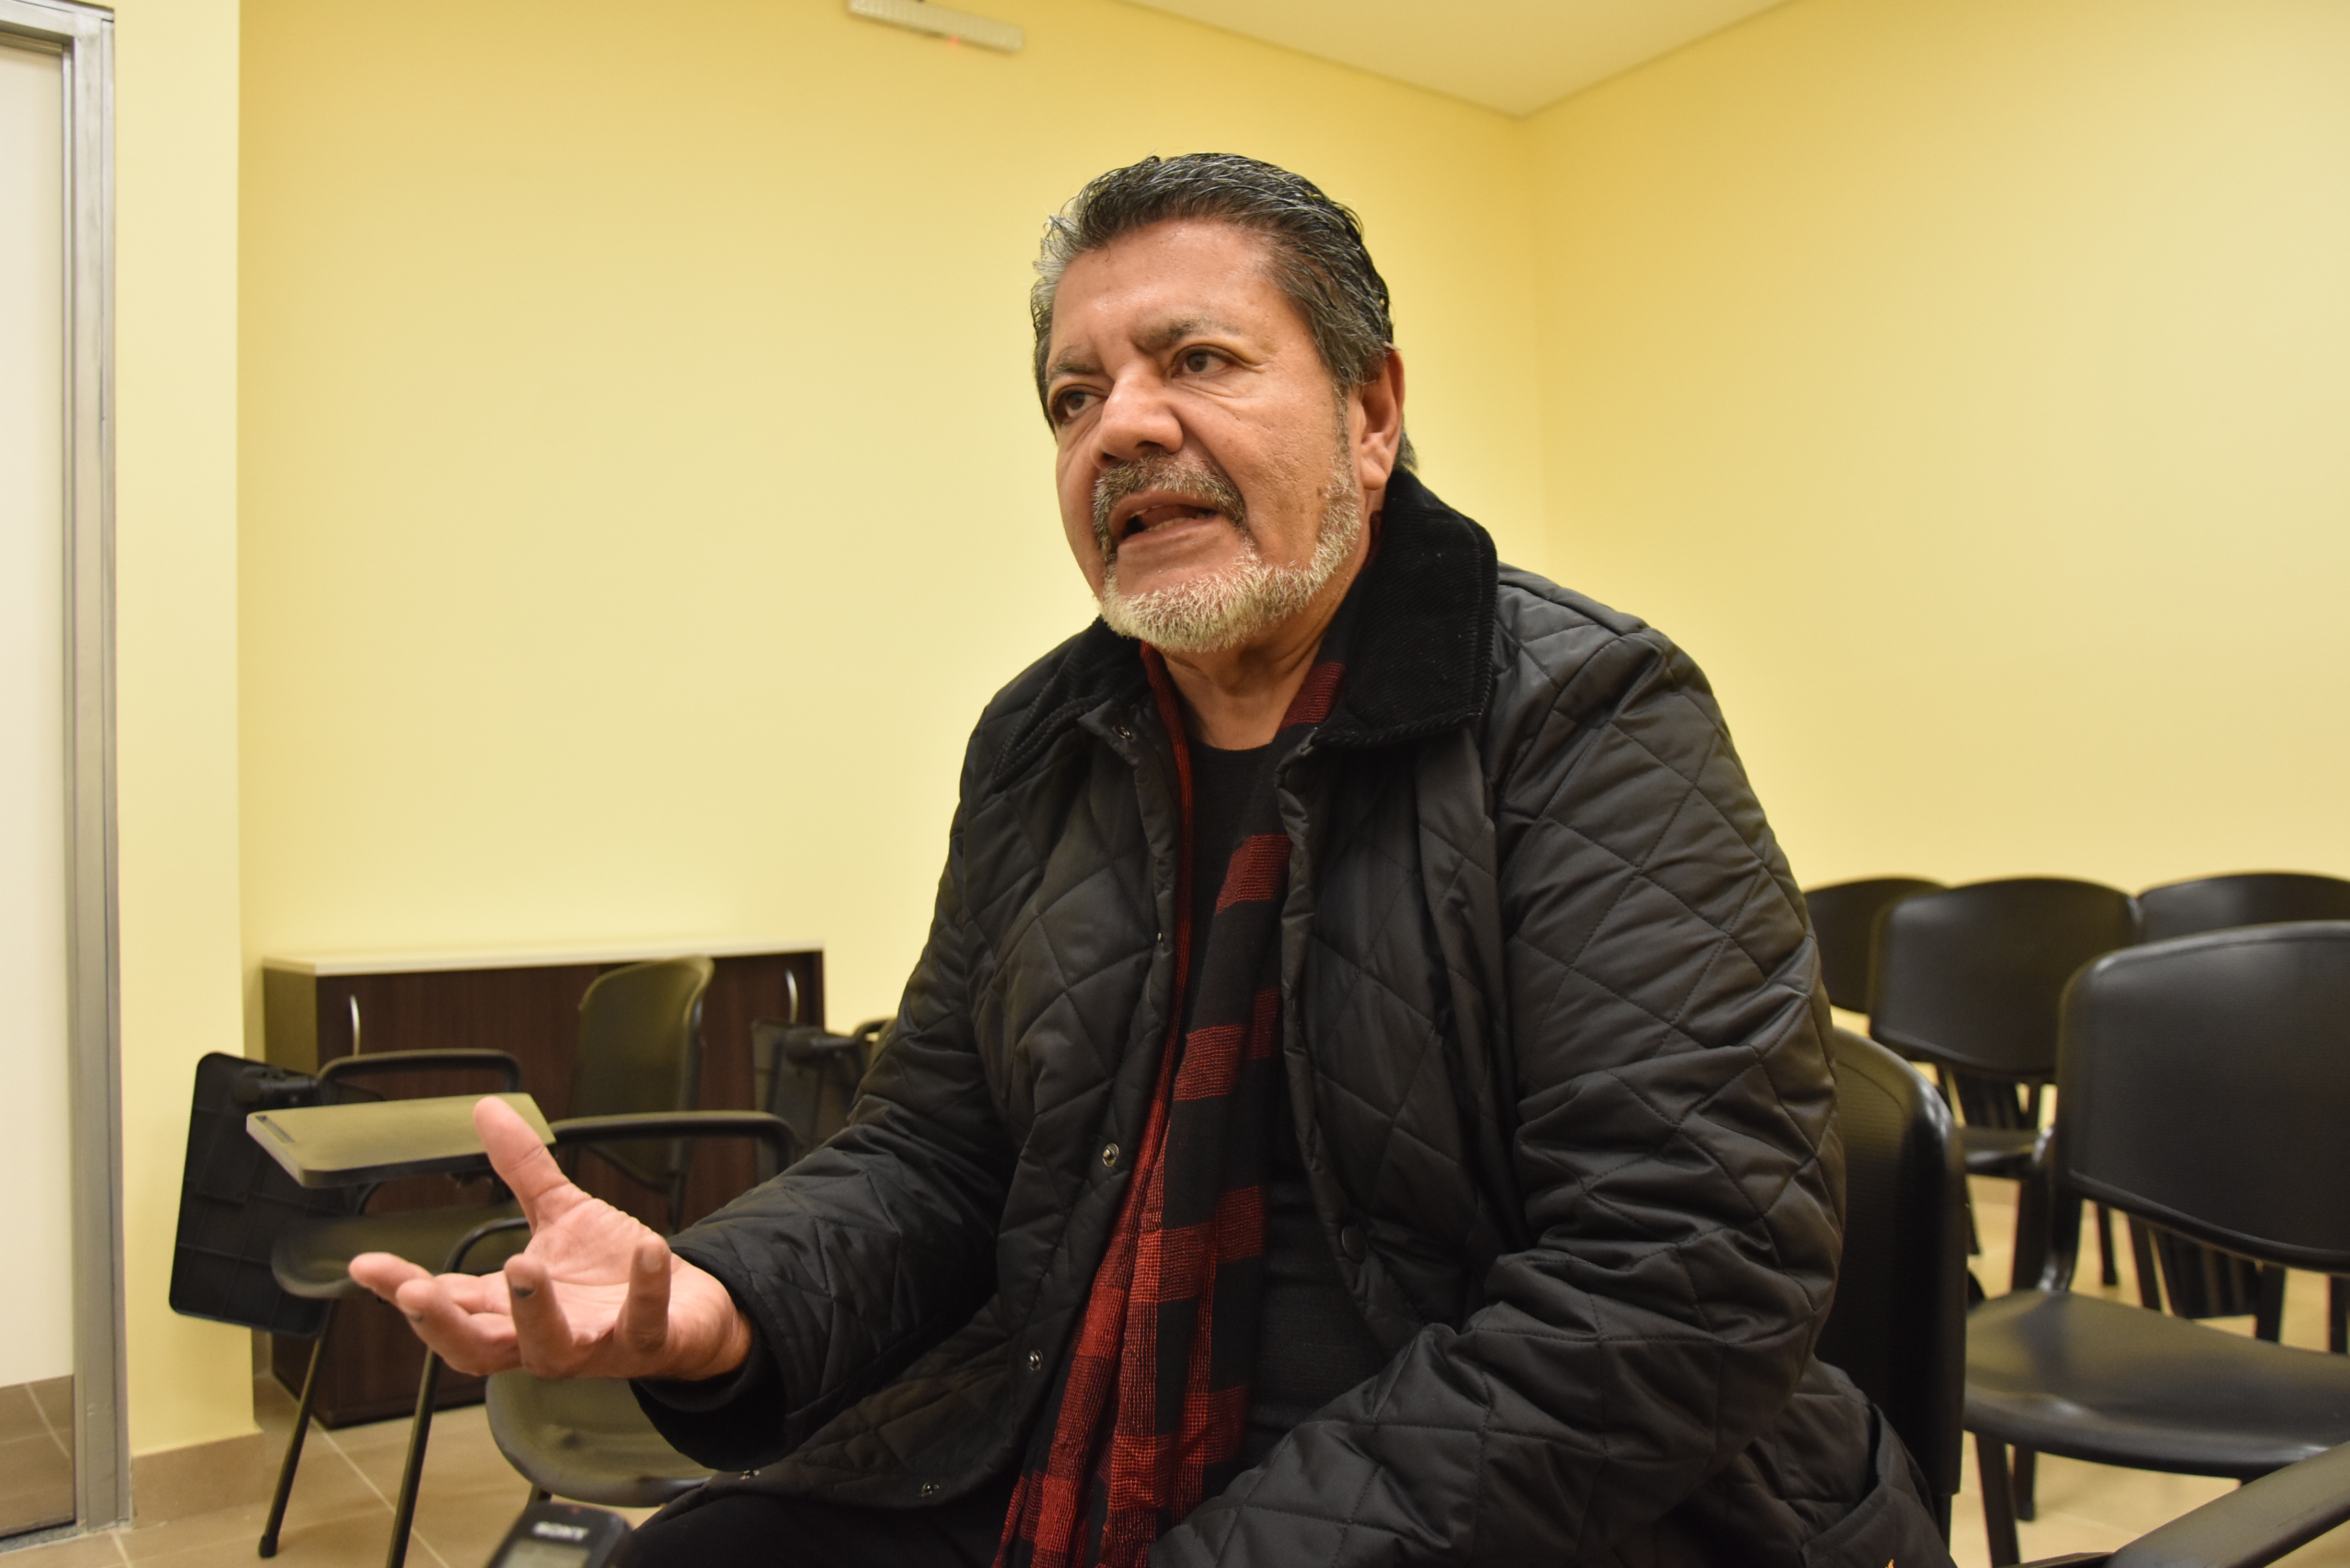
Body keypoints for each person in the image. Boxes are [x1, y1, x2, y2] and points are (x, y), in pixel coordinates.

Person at [353, 153, 1951, 1567]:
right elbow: (937, 1152)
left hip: (1530, 1491)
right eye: (1073, 397)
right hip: (1072, 1411)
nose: (1120, 425)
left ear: (1371, 414)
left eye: (1198, 360)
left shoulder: (1588, 710)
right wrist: (726, 1301)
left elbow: (1682, 1274)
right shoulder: (1038, 741)